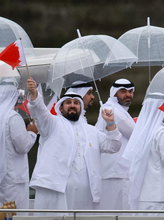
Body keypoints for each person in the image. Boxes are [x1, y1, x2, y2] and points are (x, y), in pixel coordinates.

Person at [26, 77, 122, 213]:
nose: (72, 105)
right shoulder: (52, 124)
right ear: (61, 107)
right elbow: (40, 112)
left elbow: (113, 146)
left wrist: (111, 123)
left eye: (76, 103)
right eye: (68, 103)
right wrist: (35, 95)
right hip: (57, 190)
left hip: (85, 194)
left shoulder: (91, 131)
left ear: (80, 107)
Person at [95, 79, 136, 210]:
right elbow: (134, 133)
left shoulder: (120, 110)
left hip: (119, 172)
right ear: (114, 93)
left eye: (130, 91)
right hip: (113, 172)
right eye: (123, 91)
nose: (128, 95)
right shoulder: (110, 109)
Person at [0, 76, 37, 211]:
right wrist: (32, 132)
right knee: (14, 215)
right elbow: (23, 146)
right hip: (13, 181)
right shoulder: (13, 117)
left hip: (3, 179)